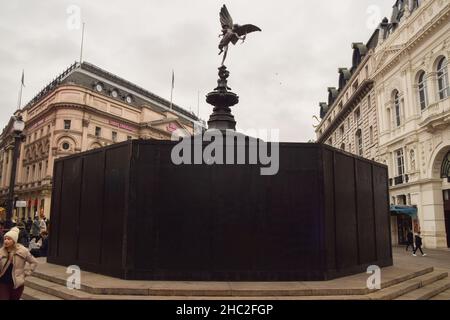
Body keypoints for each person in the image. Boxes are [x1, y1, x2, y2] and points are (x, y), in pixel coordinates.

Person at [0, 227, 38, 300]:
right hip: (3, 282)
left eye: (9, 239)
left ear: (14, 240)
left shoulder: (23, 251)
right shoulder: (1, 251)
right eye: (5, 239)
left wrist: (27, 273)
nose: (6, 241)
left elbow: (34, 262)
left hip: (17, 283)